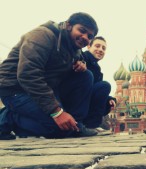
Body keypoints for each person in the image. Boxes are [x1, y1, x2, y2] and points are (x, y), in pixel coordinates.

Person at [0, 12, 99, 140]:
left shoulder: (74, 48)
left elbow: (77, 58)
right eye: (82, 30)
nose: (85, 37)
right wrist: (57, 112)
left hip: (43, 88)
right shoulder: (42, 35)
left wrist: (81, 64)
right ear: (68, 26)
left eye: (89, 36)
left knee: (86, 76)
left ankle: (76, 125)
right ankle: (8, 118)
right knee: (58, 129)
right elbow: (27, 74)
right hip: (14, 89)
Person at [82, 36, 116, 129]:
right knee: (105, 86)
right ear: (89, 46)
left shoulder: (96, 67)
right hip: (75, 98)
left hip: (83, 97)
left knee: (107, 103)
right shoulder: (83, 58)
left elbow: (95, 86)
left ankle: (87, 124)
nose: (100, 50)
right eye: (97, 46)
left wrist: (110, 99)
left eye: (103, 48)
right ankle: (92, 125)